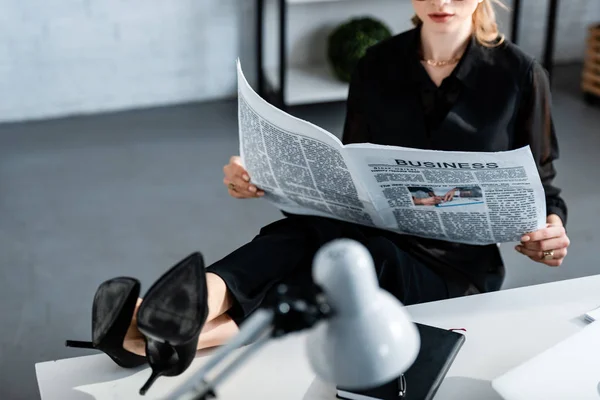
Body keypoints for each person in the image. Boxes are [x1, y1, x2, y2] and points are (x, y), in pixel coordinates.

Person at [124, 0, 571, 355]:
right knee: (309, 233)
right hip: (377, 232)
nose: (440, 1)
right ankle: (188, 315)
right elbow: (347, 177)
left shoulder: (520, 75)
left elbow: (543, 183)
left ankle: (176, 319)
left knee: (352, 255)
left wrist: (551, 229)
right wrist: (262, 177)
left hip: (456, 267)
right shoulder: (376, 65)